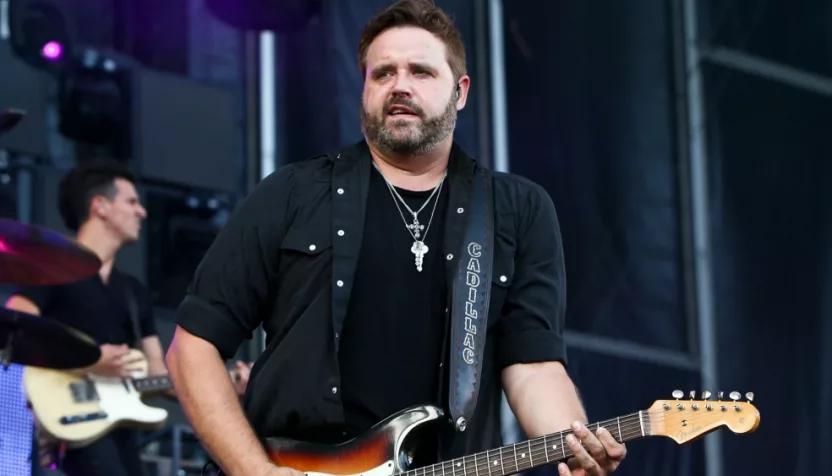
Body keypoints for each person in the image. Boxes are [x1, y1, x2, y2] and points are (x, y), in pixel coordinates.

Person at [164, 1, 627, 476]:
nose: (400, 85)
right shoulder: (294, 191)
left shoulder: (517, 210)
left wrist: (572, 446)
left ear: (460, 91)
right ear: (363, 88)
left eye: (422, 72)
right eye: (383, 73)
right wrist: (252, 470)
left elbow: (533, 364)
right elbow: (193, 346)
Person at [3, 160, 252, 476]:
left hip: (119, 426)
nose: (142, 212)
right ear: (100, 206)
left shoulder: (134, 292)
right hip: (66, 421)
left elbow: (161, 374)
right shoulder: (55, 270)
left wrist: (224, 383)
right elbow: (15, 328)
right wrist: (87, 361)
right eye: (132, 202)